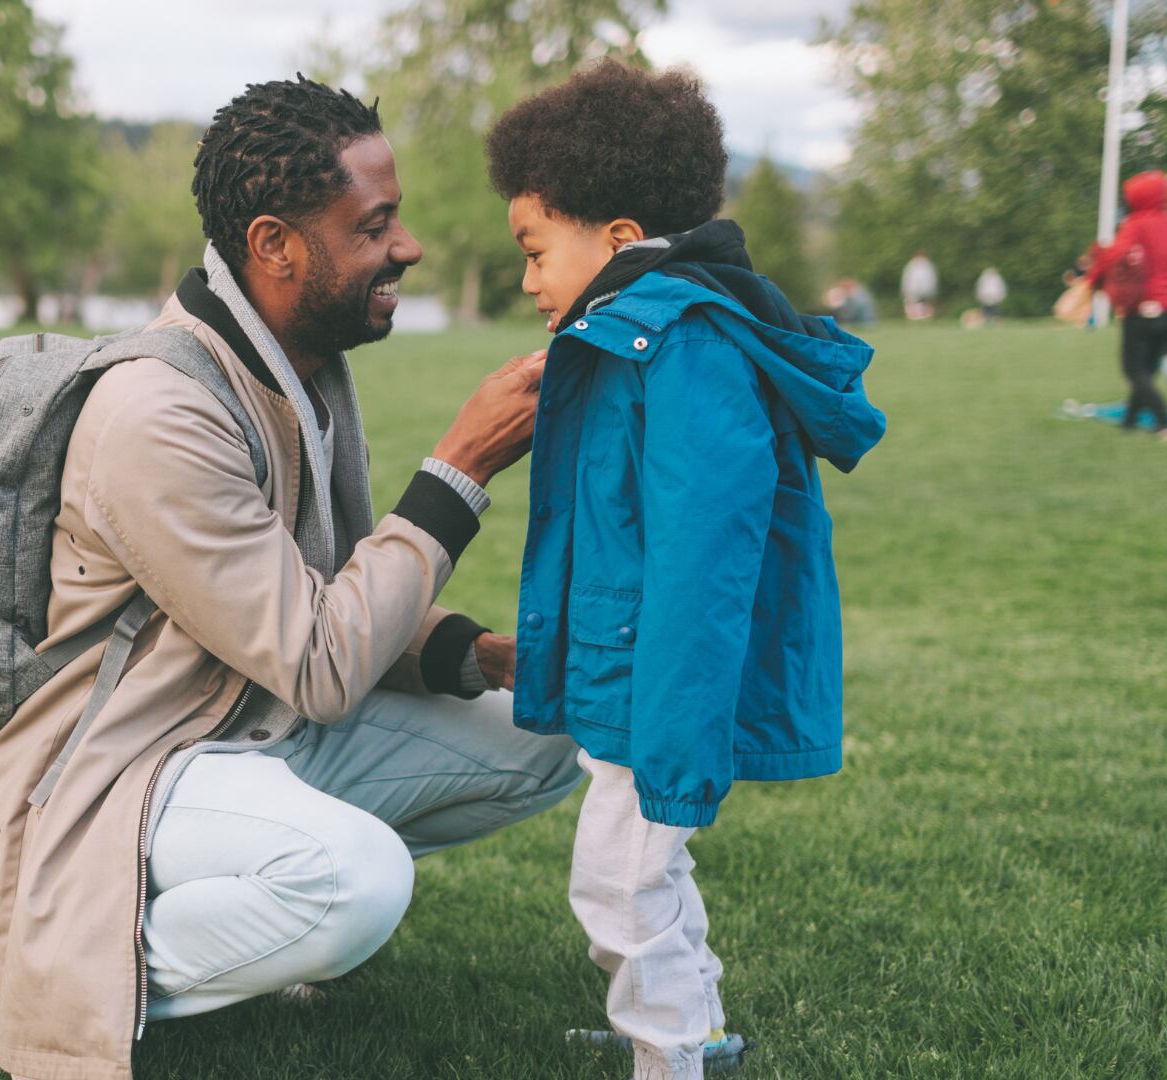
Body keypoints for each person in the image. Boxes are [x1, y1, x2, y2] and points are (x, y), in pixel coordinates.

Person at [0, 76, 585, 1080]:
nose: (408, 245)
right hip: (127, 770)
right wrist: (459, 470)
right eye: (374, 224)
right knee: (358, 883)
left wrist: (478, 657)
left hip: (253, 730)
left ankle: (248, 904)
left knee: (555, 723)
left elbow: (332, 589)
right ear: (275, 245)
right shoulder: (157, 412)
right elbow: (322, 661)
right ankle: (80, 962)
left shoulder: (301, 364)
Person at [485, 61, 887, 1080]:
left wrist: (676, 727)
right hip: (631, 670)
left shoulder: (683, 345)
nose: (528, 280)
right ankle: (689, 1027)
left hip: (661, 681)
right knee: (644, 872)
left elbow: (706, 558)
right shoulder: (634, 336)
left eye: (535, 251)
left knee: (617, 887)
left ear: (618, 238)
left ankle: (668, 1057)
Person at [1086, 170, 1167, 439]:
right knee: (1148, 369)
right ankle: (1130, 423)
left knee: (1133, 369)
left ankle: (1165, 424)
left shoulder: (1136, 224)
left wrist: (1094, 278)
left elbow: (1115, 258)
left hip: (1143, 309)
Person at [901, 250, 938, 319]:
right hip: (915, 290)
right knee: (914, 304)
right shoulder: (913, 264)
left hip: (923, 290)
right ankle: (915, 317)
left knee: (925, 304)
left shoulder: (927, 264)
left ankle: (925, 317)